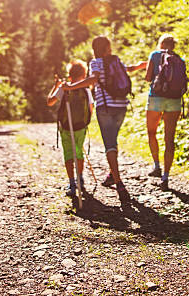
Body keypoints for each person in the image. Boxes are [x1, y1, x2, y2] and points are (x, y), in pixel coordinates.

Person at [62, 36, 146, 203]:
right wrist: (141, 65)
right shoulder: (116, 61)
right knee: (113, 142)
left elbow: (94, 79)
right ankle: (111, 174)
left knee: (109, 145)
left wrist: (71, 87)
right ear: (107, 47)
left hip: (106, 107)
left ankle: (119, 183)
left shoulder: (96, 63)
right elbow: (128, 68)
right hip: (122, 105)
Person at [47, 59, 94, 197]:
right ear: (84, 74)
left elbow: (50, 102)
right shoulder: (86, 89)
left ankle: (72, 182)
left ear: (70, 74)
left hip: (66, 127)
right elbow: (91, 109)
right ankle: (80, 179)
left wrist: (56, 86)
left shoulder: (64, 88)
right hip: (80, 127)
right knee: (78, 152)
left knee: (68, 153)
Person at [144, 34, 183, 191]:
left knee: (151, 132)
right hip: (174, 100)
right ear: (173, 45)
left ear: (161, 44)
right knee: (170, 138)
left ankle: (156, 166)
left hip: (155, 99)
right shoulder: (179, 59)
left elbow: (148, 78)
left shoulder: (154, 55)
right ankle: (165, 176)